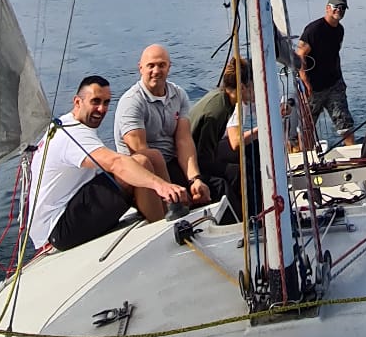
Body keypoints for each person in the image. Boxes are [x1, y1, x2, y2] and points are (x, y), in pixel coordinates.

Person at [28, 75, 187, 252]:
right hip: (58, 229)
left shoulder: (70, 123)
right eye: (95, 101)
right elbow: (115, 163)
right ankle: (162, 234)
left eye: (106, 103)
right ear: (77, 102)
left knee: (152, 156)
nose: (101, 109)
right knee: (140, 163)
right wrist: (161, 186)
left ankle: (172, 213)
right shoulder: (71, 135)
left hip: (73, 203)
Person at [115, 44, 211, 205]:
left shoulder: (178, 95)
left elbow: (184, 141)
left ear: (169, 67)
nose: (156, 71)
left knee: (214, 186)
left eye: (161, 65)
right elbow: (141, 154)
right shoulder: (132, 102)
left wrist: (194, 179)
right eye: (151, 66)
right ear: (140, 68)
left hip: (172, 162)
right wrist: (168, 189)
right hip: (146, 173)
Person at [186, 55, 261, 212]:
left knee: (247, 158)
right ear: (242, 87)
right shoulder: (217, 111)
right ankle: (250, 217)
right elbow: (203, 159)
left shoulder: (225, 100)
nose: (256, 93)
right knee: (238, 173)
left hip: (203, 154)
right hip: (192, 164)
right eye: (255, 87)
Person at [299, 0, 354, 148]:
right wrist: (304, 81)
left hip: (334, 84)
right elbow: (300, 55)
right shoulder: (314, 30)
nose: (339, 10)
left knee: (345, 124)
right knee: (307, 128)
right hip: (313, 88)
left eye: (343, 8)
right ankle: (306, 156)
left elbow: (334, 54)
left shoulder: (340, 30)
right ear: (327, 8)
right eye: (336, 7)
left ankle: (353, 154)